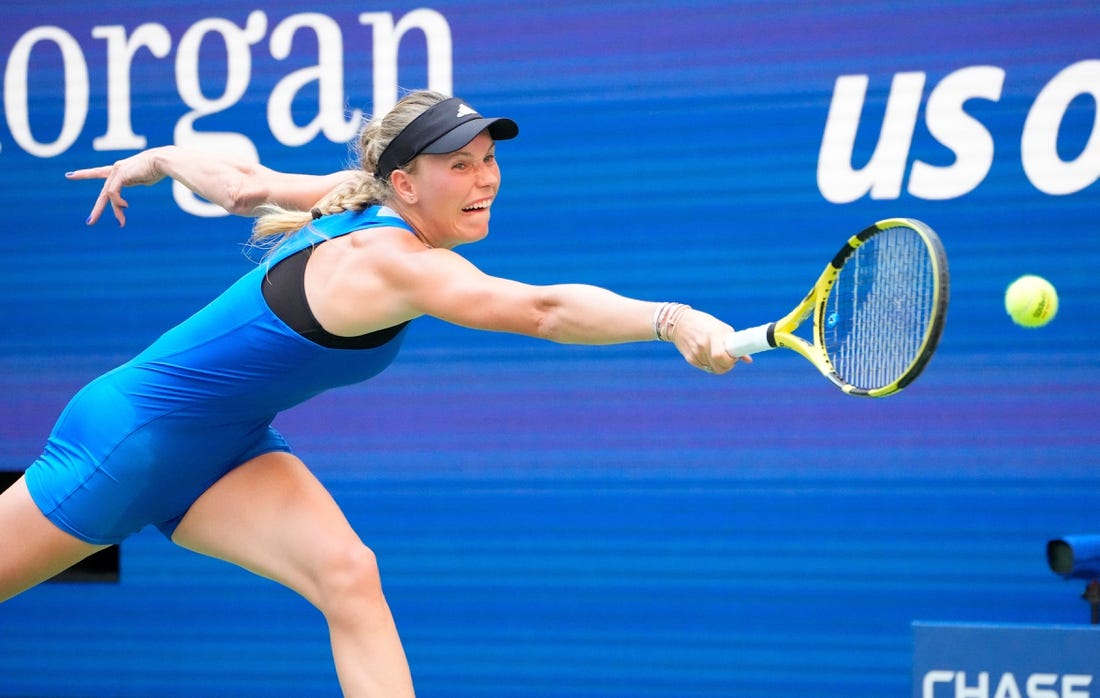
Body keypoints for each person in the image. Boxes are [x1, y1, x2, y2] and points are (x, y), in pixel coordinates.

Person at [0, 90, 746, 697]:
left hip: (225, 446)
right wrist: (670, 319)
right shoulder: (390, 260)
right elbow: (543, 310)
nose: (484, 179)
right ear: (405, 183)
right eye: (460, 164)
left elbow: (243, 187)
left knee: (349, 574)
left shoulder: (353, 197)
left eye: (488, 160)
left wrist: (160, 160)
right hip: (126, 443)